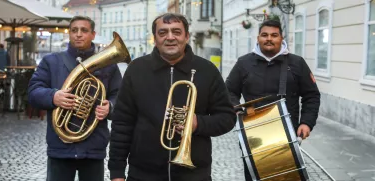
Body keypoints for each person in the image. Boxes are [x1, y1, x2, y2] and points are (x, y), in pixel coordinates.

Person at [108, 13, 236, 181]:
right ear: (155, 38)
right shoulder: (136, 69)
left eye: (176, 32)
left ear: (187, 36)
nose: (170, 37)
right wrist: (117, 173)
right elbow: (122, 123)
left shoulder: (207, 70)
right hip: (143, 174)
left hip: (194, 175)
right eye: (163, 33)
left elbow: (227, 117)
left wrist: (198, 123)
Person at [28, 16, 122, 181]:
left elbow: (120, 96)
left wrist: (110, 107)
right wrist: (53, 96)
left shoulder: (109, 66)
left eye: (84, 30)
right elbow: (33, 92)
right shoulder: (51, 62)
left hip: (94, 147)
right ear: (69, 34)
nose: (78, 34)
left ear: (93, 34)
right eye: (74, 30)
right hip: (60, 147)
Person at [225, 20, 321, 181]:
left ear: (281, 38)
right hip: (253, 135)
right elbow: (228, 91)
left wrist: (306, 123)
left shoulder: (297, 63)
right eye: (264, 35)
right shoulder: (244, 63)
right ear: (258, 38)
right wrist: (237, 109)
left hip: (287, 133)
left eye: (274, 35)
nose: (269, 39)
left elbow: (312, 96)